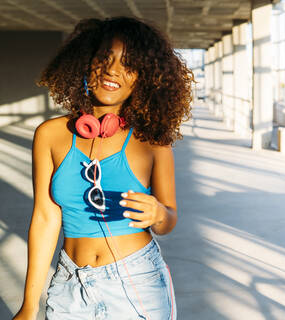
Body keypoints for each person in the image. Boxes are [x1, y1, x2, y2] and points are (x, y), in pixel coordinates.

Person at [13, 17, 193, 320]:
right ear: (86, 62)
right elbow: (45, 218)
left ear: (144, 79)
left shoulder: (151, 141)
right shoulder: (50, 135)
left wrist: (160, 213)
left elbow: (169, 219)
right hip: (70, 284)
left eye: (129, 65)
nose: (112, 71)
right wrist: (30, 304)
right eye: (104, 59)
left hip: (137, 281)